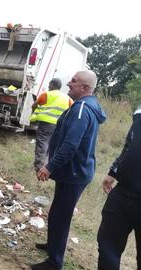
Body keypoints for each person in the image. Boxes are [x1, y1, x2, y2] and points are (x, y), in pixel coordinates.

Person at [32, 70, 107, 270]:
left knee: (60, 216)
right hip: (72, 172)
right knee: (57, 212)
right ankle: (52, 246)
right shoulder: (84, 105)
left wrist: (49, 166)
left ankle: (54, 262)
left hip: (75, 173)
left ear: (85, 88)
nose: (69, 84)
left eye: (73, 81)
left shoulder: (82, 109)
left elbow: (71, 144)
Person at [97, 106, 141, 270]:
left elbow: (131, 146)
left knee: (109, 247)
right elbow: (130, 146)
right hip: (124, 193)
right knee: (109, 247)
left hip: (126, 192)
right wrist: (113, 172)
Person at [30, 78, 73, 172]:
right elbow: (72, 111)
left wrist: (35, 115)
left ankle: (39, 166)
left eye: (49, 85)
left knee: (42, 143)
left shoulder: (46, 94)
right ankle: (48, 166)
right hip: (60, 126)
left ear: (52, 85)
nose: (49, 86)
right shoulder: (68, 99)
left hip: (46, 123)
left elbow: (34, 105)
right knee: (52, 145)